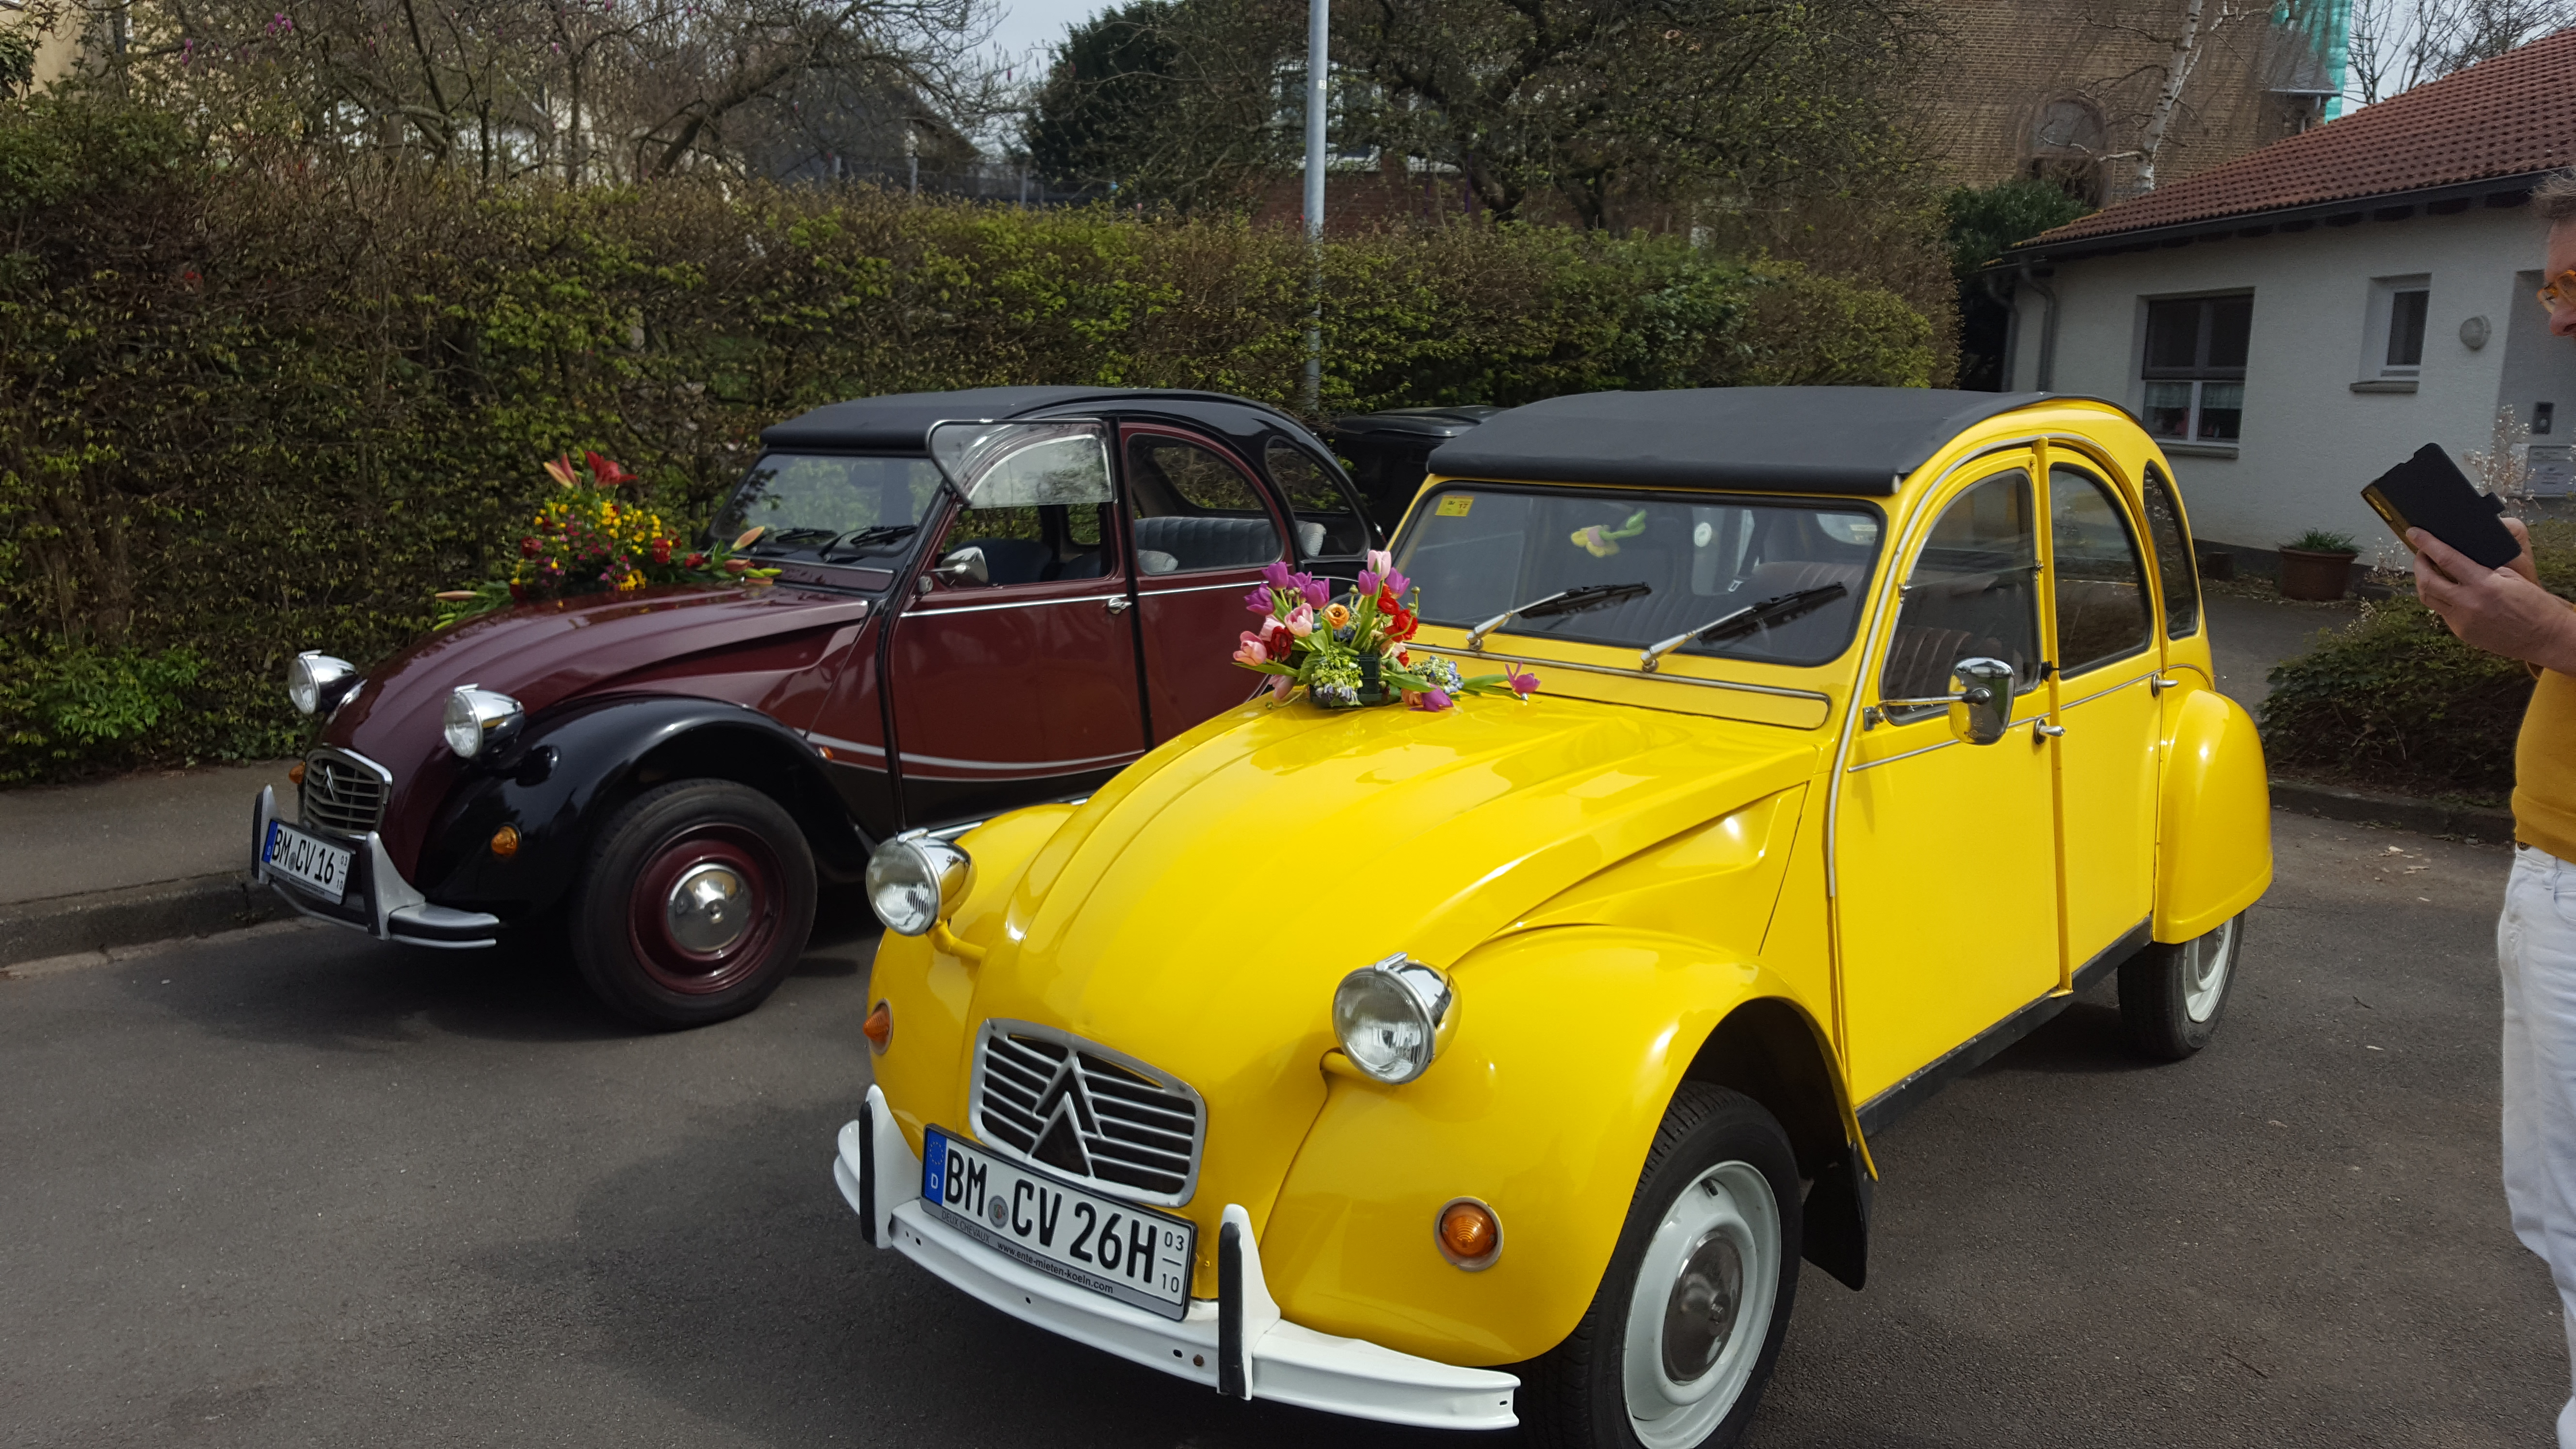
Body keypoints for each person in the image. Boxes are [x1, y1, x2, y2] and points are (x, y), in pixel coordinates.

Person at [2409, 166, 2576, 1447]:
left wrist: (2558, 634)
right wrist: (2524, 619)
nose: (2558, 313)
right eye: (2551, 284)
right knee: (2558, 1213)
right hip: (2554, 865)